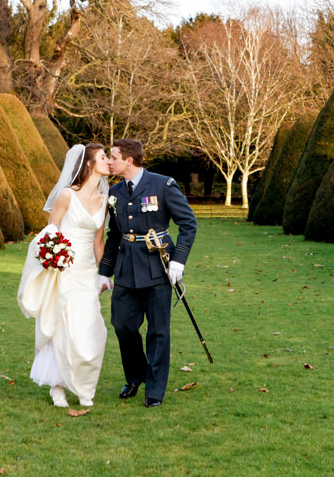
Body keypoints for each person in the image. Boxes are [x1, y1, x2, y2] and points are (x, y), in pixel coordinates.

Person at [97, 138, 198, 408]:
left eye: (114, 157)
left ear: (129, 160)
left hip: (157, 267)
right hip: (126, 270)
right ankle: (136, 376)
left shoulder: (162, 185)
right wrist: (104, 271)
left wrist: (179, 260)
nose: (110, 161)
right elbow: (115, 233)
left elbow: (188, 223)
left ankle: (154, 390)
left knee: (158, 332)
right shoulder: (115, 190)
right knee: (123, 326)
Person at [17, 143, 110, 407]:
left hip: (87, 272)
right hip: (64, 269)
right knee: (62, 326)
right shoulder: (68, 195)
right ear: (90, 164)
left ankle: (83, 385)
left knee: (90, 328)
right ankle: (58, 386)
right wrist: (54, 256)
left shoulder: (105, 200)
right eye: (103, 157)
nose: (107, 161)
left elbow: (99, 241)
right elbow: (50, 230)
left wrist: (102, 274)